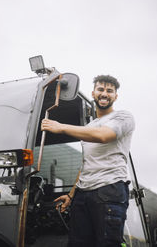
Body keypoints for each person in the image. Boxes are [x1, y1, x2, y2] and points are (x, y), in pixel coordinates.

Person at [41, 75, 135, 247]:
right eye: (100, 89)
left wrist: (60, 127)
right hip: (83, 195)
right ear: (93, 93)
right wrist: (71, 195)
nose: (104, 94)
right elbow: (86, 164)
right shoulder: (88, 127)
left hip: (110, 189)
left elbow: (103, 136)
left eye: (109, 91)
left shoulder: (123, 117)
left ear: (116, 96)